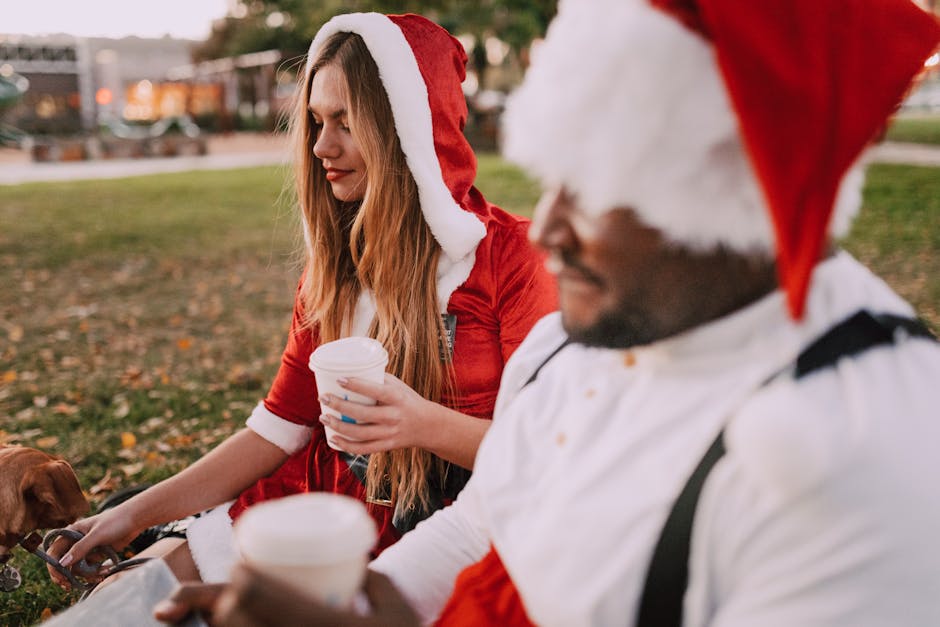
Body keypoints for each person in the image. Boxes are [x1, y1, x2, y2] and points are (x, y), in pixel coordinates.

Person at [155, 0, 940, 625]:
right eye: (554, 176)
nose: (551, 230)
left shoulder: (861, 457)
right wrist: (364, 605)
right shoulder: (582, 343)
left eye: (595, 188)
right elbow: (480, 524)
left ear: (741, 190)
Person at [49, 12, 556, 587]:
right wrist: (130, 515)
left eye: (345, 121)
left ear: (408, 129)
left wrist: (421, 424)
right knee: (131, 596)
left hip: (458, 529)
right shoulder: (335, 269)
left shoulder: (511, 259)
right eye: (316, 121)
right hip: (321, 502)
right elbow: (279, 428)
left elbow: (548, 455)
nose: (321, 146)